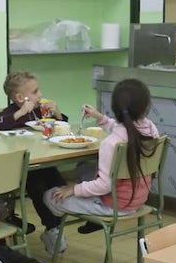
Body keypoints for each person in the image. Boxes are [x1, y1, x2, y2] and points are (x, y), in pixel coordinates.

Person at [43, 78, 159, 232]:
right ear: (146, 106)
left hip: (114, 205)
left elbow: (104, 185)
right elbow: (125, 127)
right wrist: (100, 117)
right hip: (139, 198)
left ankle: (58, 230)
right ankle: (88, 209)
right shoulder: (151, 129)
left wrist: (73, 189)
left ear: (115, 108)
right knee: (84, 168)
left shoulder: (111, 144)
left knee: (50, 196)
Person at [0, 71, 69, 253]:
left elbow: (61, 125)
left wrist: (56, 112)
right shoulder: (10, 113)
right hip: (21, 169)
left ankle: (56, 224)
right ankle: (52, 227)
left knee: (58, 183)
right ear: (20, 97)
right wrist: (20, 113)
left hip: (44, 160)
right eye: (35, 91)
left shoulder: (39, 111)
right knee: (37, 188)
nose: (40, 95)